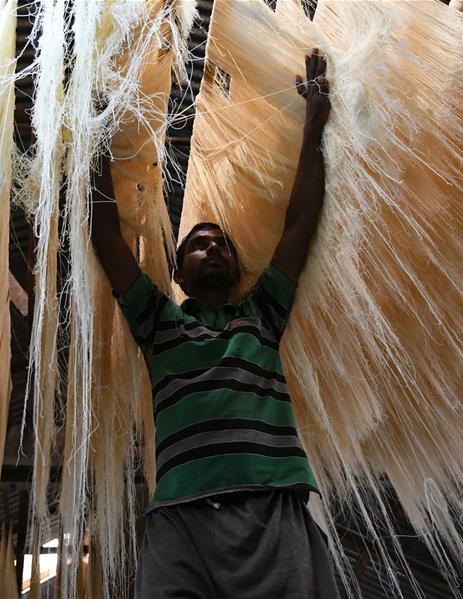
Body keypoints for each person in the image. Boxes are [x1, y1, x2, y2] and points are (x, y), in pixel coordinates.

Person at [91, 49, 335, 598]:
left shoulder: (263, 313)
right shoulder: (158, 322)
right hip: (180, 513)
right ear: (176, 271)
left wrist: (313, 126)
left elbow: (301, 219)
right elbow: (104, 233)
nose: (214, 247)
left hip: (272, 501)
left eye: (221, 242)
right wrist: (100, 130)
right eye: (199, 244)